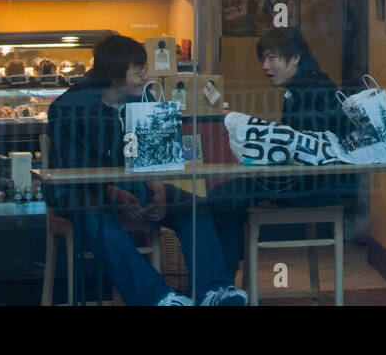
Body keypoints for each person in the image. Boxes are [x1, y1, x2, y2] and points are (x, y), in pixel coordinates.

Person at [46, 34, 247, 305]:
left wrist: (159, 191)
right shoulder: (68, 107)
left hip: (133, 186)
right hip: (82, 195)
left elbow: (155, 155)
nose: (145, 75)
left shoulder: (144, 96)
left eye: (144, 69)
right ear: (115, 75)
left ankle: (214, 290)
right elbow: (72, 172)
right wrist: (115, 194)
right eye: (138, 71)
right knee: (95, 219)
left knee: (192, 206)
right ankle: (157, 298)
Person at [256, 26, 359, 209]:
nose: (265, 66)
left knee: (226, 197)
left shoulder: (312, 91)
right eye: (263, 58)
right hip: (315, 185)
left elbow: (308, 154)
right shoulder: (302, 86)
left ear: (296, 58)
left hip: (319, 189)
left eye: (272, 58)